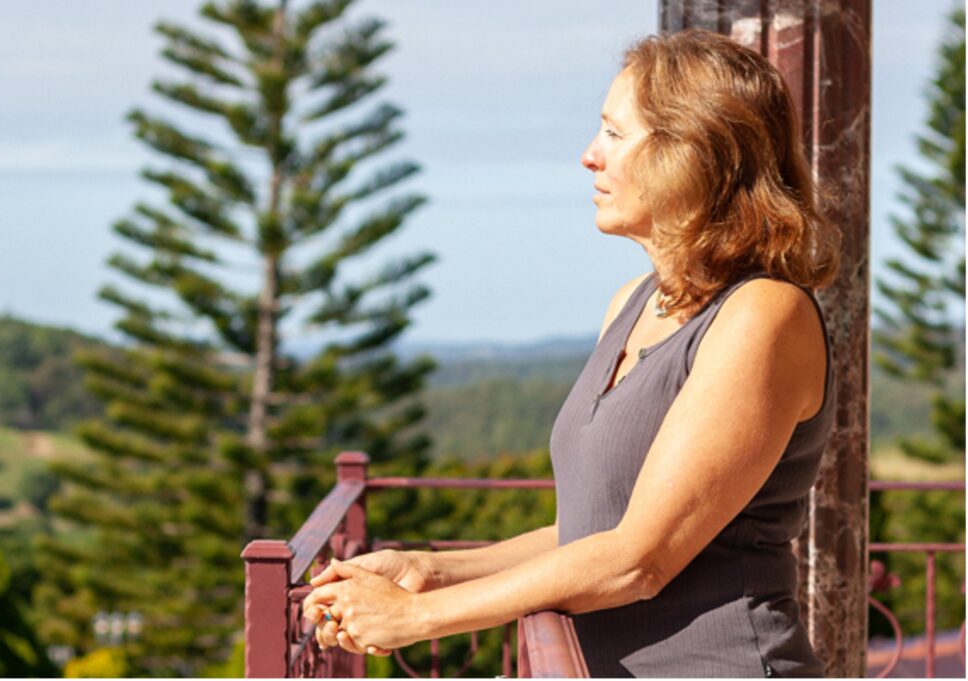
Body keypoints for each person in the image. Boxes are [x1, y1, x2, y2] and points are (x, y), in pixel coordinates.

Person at [303, 28, 841, 677]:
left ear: (692, 152)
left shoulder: (763, 315)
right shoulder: (633, 303)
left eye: (615, 134)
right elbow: (594, 531)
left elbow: (639, 558)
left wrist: (418, 618)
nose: (590, 156)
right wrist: (430, 568)